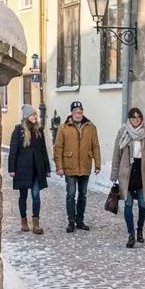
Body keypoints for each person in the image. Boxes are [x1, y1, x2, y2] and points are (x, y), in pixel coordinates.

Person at [110, 106, 145, 248]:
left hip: (143, 172)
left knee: (143, 205)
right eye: (133, 117)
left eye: (138, 117)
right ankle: (131, 234)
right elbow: (116, 154)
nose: (136, 120)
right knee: (128, 204)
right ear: (129, 119)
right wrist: (114, 173)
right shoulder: (123, 132)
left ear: (141, 119)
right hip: (127, 173)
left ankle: (140, 230)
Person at [54, 100, 102, 233]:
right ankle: (71, 221)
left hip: (85, 166)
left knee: (83, 195)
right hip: (69, 166)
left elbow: (95, 146)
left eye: (80, 111)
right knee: (71, 194)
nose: (78, 113)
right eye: (75, 111)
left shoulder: (90, 127)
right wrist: (59, 167)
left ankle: (80, 220)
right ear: (71, 113)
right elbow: (58, 148)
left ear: (82, 112)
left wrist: (97, 164)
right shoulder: (64, 128)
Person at [8, 103, 51, 234]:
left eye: (35, 115)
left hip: (37, 169)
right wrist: (11, 168)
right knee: (23, 196)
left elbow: (43, 150)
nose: (35, 117)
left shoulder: (39, 131)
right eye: (32, 115)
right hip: (22, 169)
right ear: (27, 116)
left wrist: (47, 168)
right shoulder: (18, 131)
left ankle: (36, 224)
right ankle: (24, 221)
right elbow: (13, 150)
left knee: (36, 195)